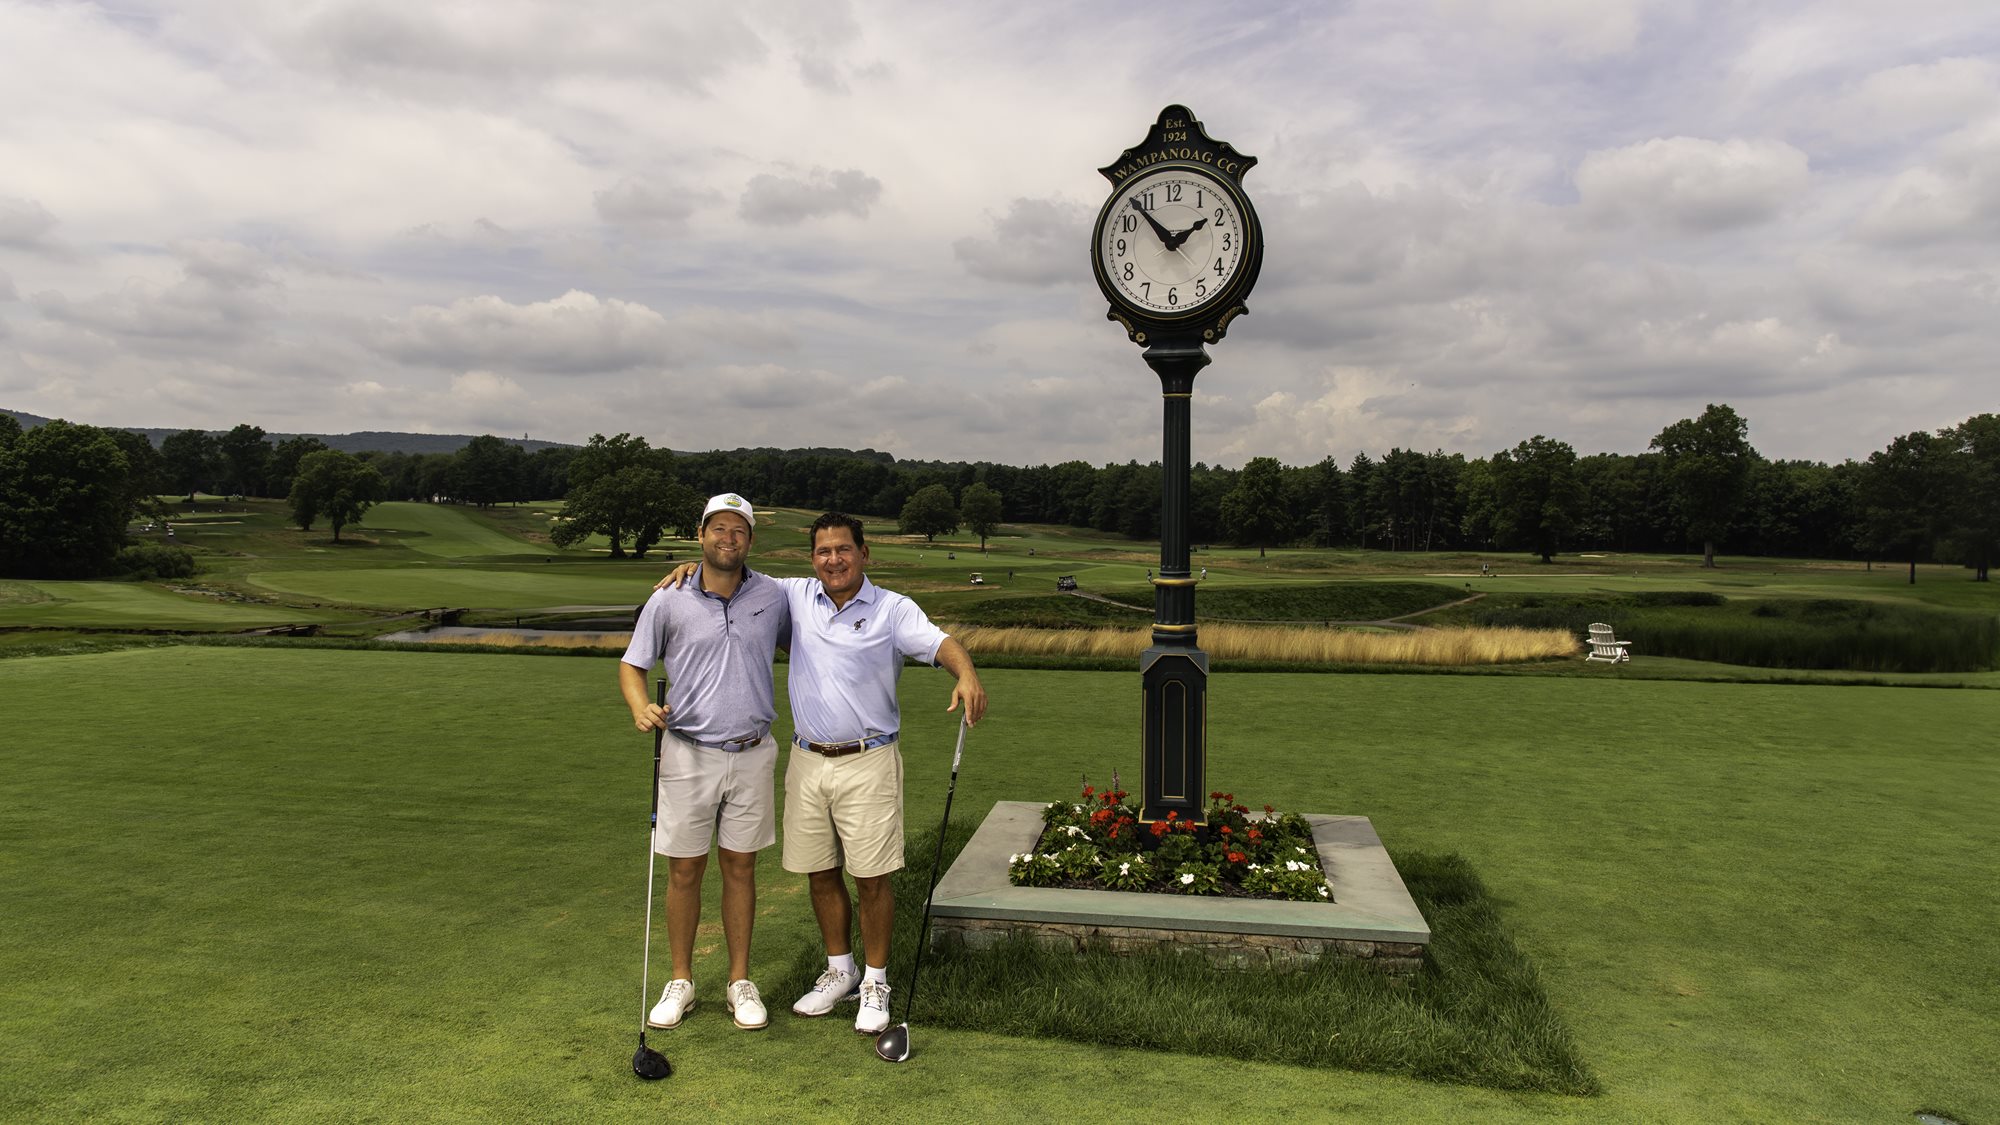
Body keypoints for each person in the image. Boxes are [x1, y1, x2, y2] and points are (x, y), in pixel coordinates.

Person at [660, 512, 987, 1036]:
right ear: (812, 559)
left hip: (869, 758)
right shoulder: (791, 595)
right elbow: (728, 569)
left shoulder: (892, 608)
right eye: (823, 552)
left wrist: (966, 674)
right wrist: (689, 567)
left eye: (843, 549)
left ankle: (875, 981)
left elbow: (940, 643)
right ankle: (841, 970)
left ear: (863, 553)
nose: (833, 560)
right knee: (820, 871)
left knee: (872, 877)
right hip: (807, 759)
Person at [620, 493, 790, 1033]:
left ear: (751, 540)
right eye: (719, 528)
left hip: (752, 752)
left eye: (739, 530)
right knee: (685, 869)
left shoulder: (773, 595)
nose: (728, 538)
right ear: (700, 535)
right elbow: (633, 665)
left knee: (741, 867)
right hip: (687, 752)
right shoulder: (668, 599)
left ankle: (739, 981)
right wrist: (639, 705)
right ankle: (682, 980)